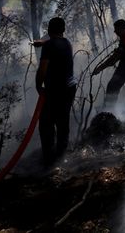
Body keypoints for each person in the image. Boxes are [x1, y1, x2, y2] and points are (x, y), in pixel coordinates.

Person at [35, 17, 77, 165]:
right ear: (63, 30)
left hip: (55, 90)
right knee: (62, 121)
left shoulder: (48, 46)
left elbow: (42, 69)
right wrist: (43, 43)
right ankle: (62, 157)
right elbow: (56, 45)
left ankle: (48, 160)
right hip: (70, 88)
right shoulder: (67, 43)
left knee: (46, 124)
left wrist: (38, 86)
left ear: (48, 30)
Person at [91, 19, 125, 108]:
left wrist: (99, 68)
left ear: (122, 29)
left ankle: (108, 110)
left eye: (116, 29)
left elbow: (112, 60)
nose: (115, 31)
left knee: (113, 88)